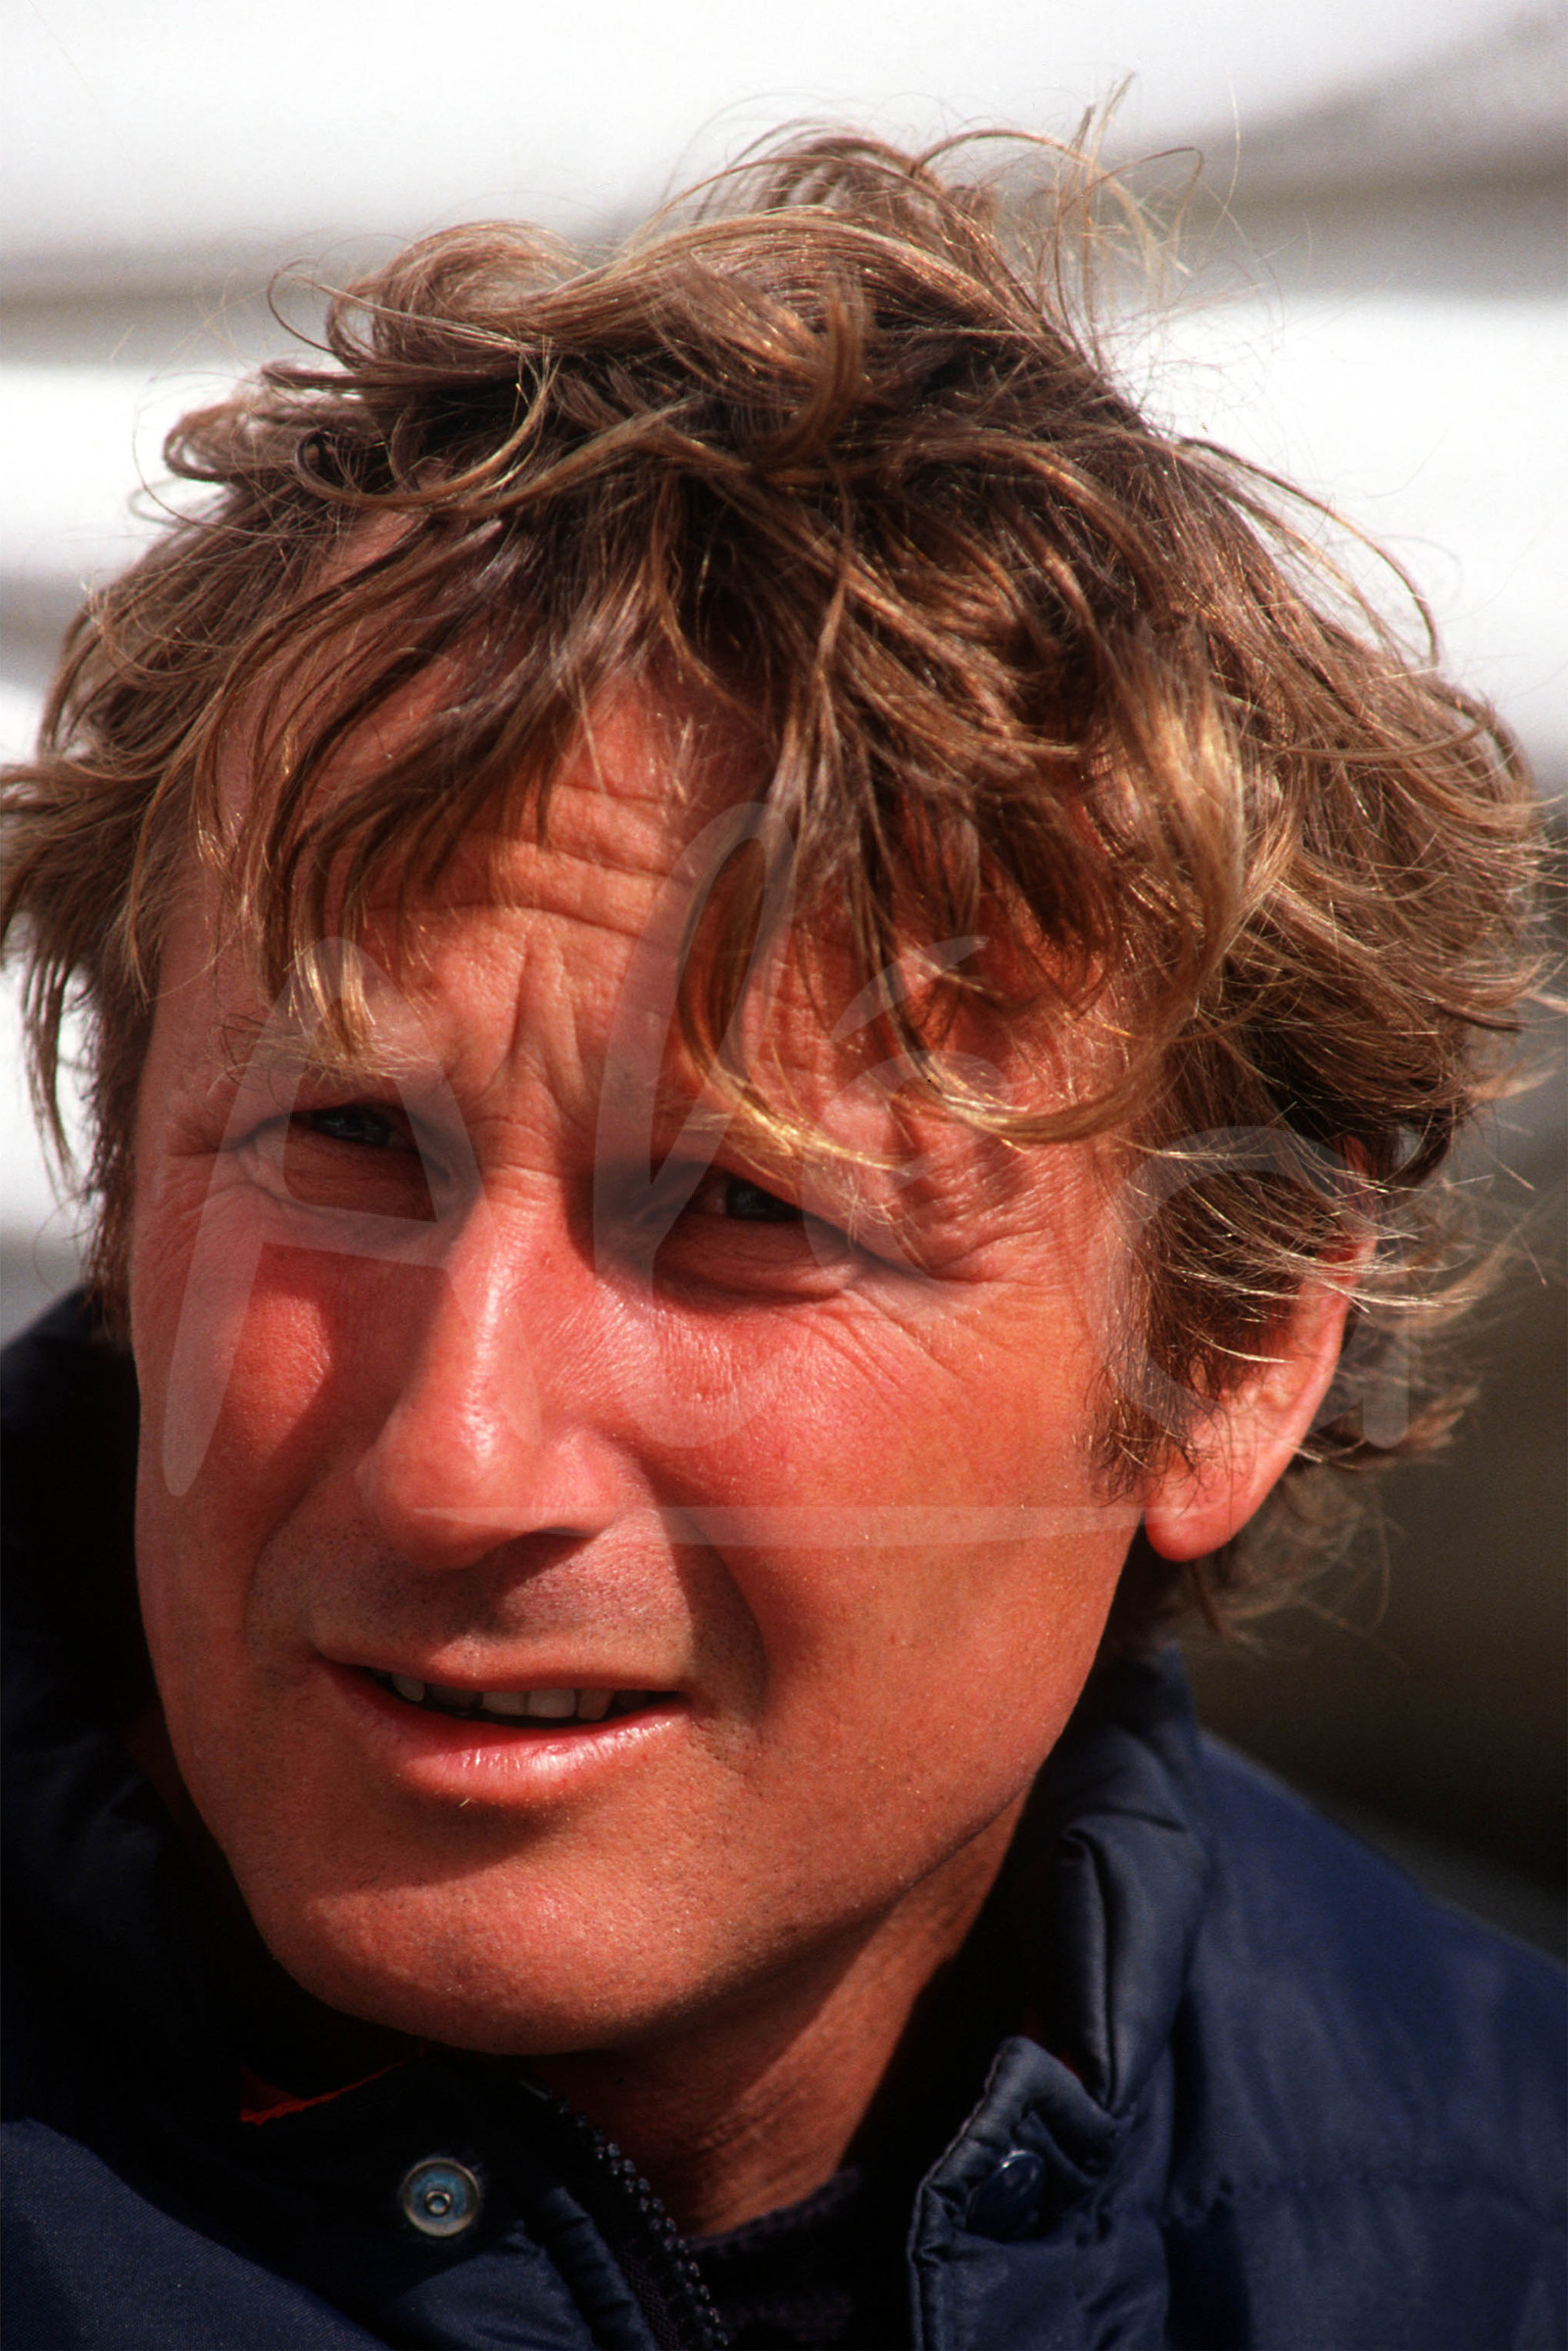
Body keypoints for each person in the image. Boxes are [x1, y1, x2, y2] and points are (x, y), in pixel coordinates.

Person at [2, 133, 1561, 2351]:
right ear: (123, 1174)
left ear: (1224, 1359)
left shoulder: (1486, 2230)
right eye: (345, 1140)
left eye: (748, 1208)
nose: (455, 1461)